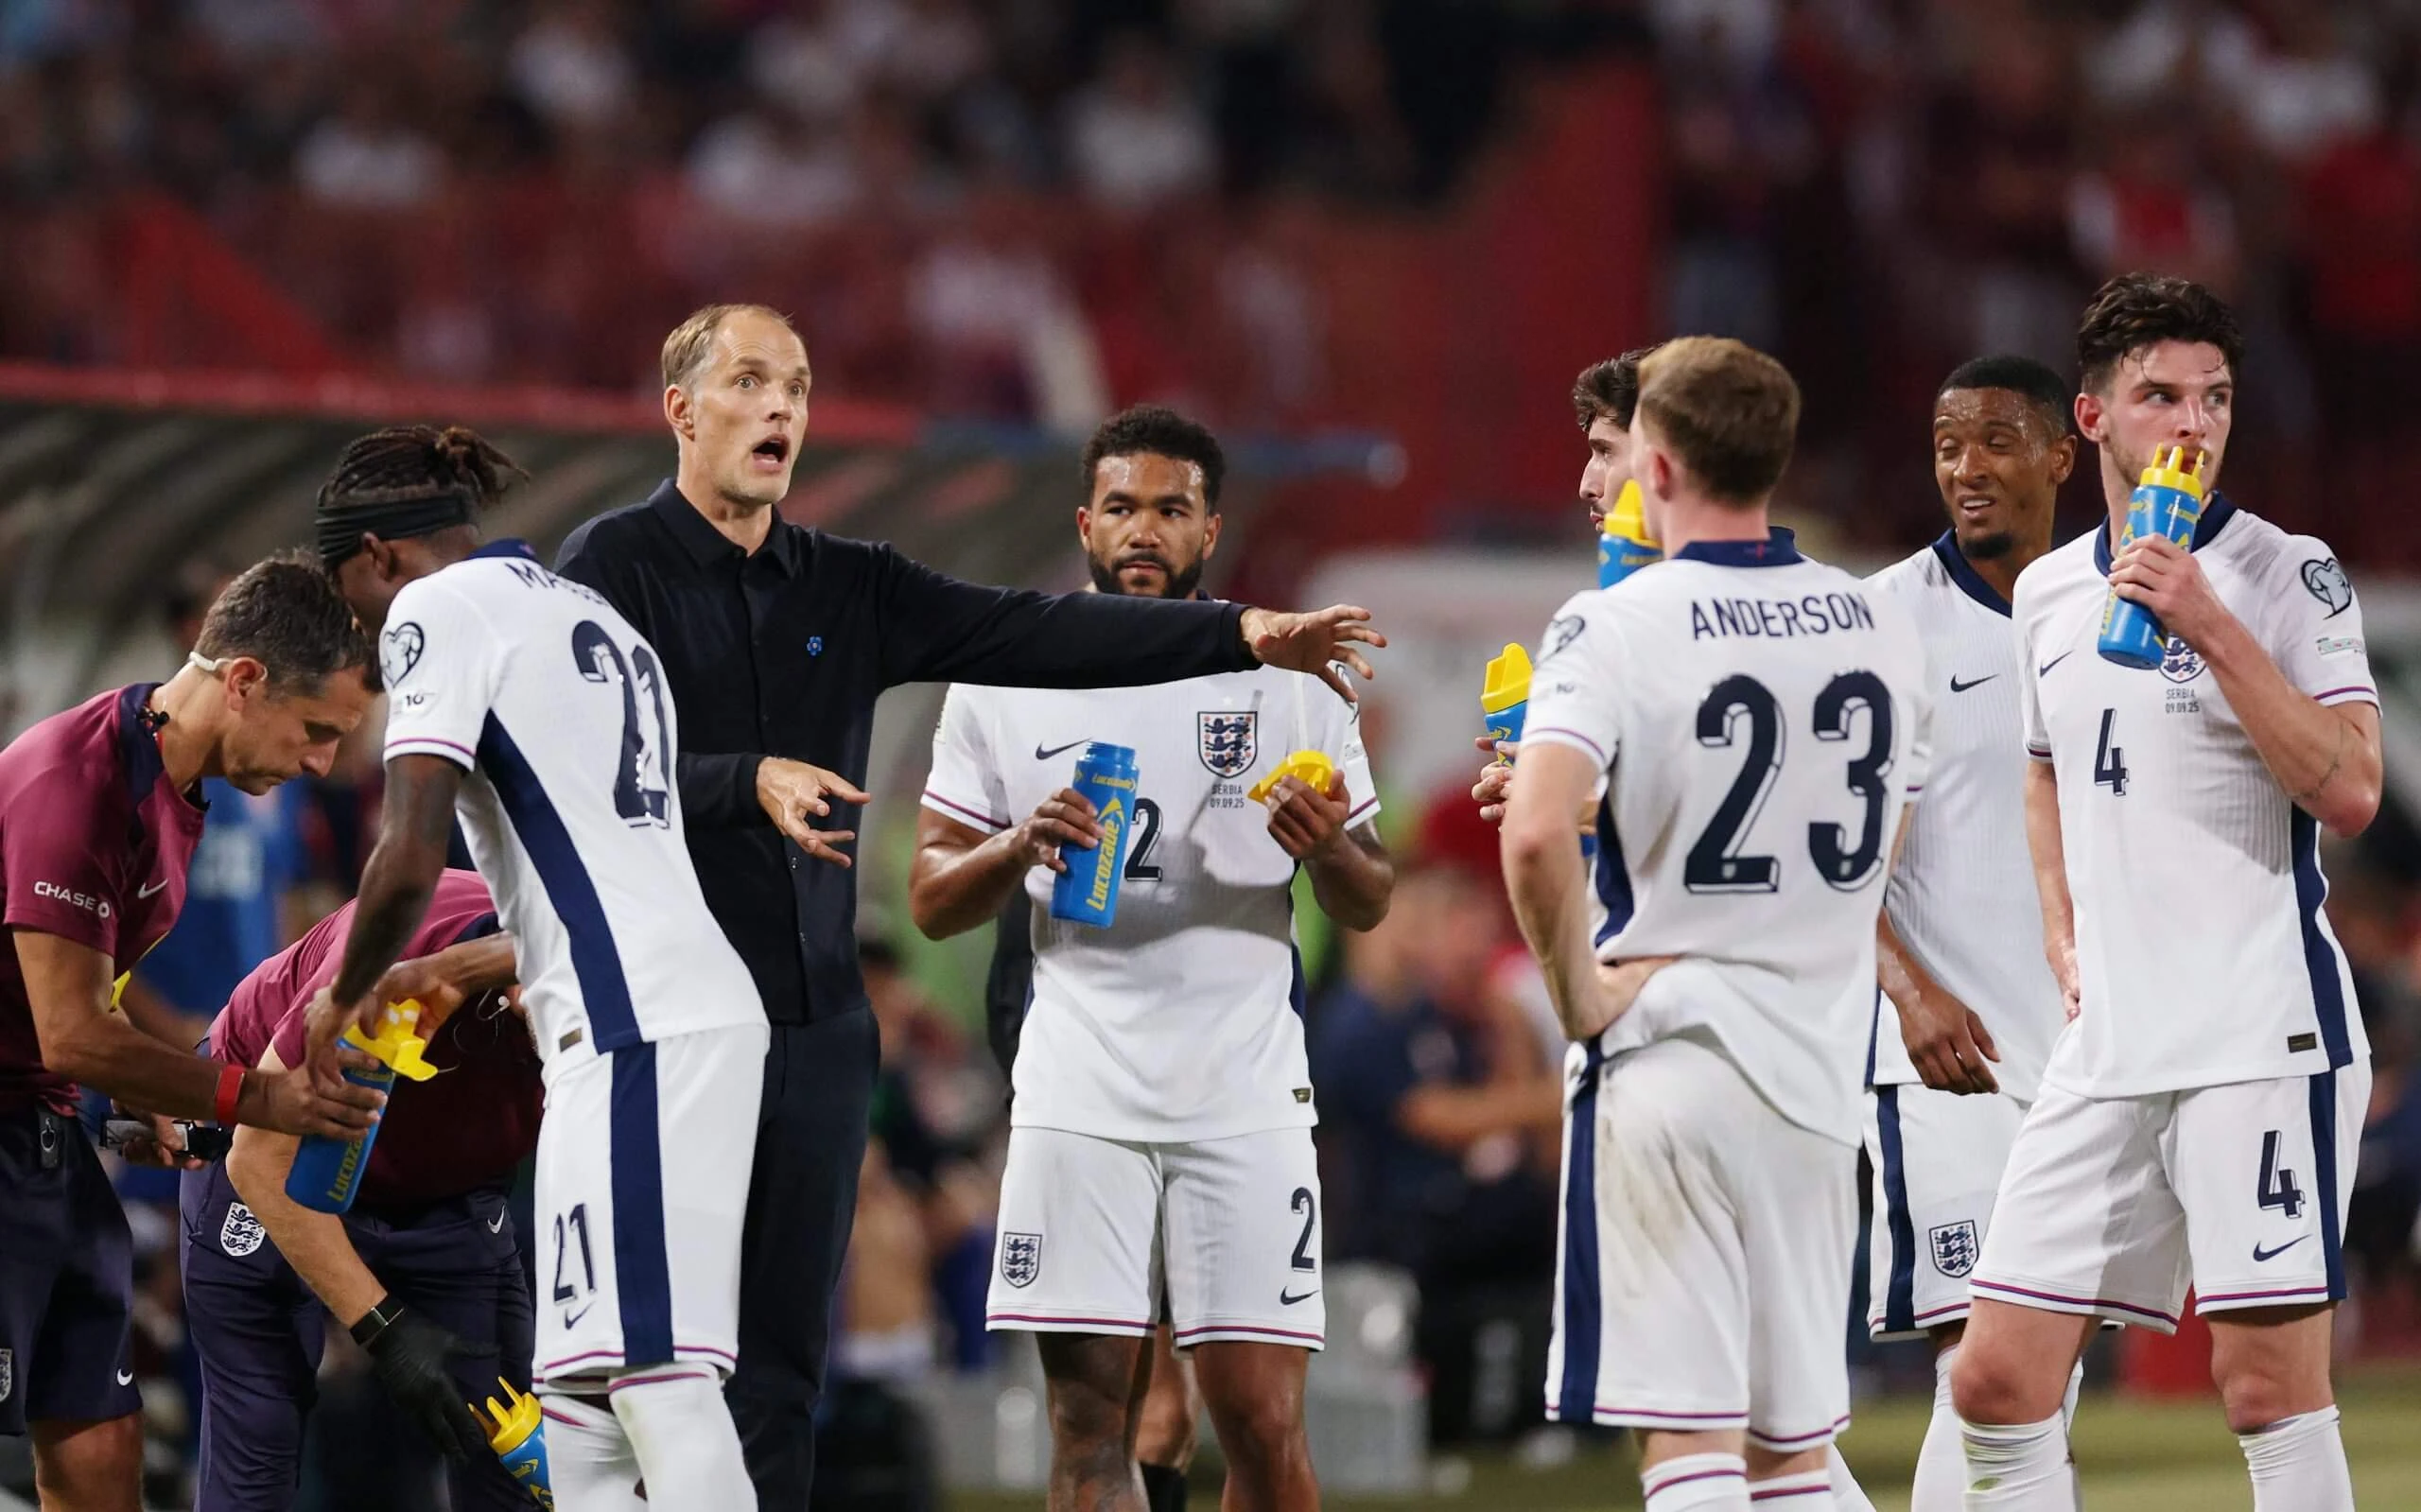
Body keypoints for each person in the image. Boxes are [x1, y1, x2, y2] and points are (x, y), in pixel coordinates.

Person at [550, 304, 1387, 1504]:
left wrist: (1245, 633)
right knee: (643, 1361)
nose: (781, 405)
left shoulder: (850, 581)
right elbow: (572, 771)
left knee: (782, 1368)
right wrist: (744, 781)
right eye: (750, 381)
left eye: (796, 384)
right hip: (666, 1021)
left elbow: (1029, 629)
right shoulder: (606, 569)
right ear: (681, 410)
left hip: (816, 1029)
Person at [911, 405, 1395, 1512]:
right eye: (1121, 507)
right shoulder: (1004, 673)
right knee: (1092, 1432)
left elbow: (1370, 898)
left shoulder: (1290, 677)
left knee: (1262, 1427)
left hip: (1245, 1096)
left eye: (1170, 510)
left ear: (1209, 530)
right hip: (1079, 1095)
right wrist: (1015, 843)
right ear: (1084, 523)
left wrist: (1329, 851)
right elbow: (931, 898)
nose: (1144, 529)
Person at [1950, 275, 2381, 1511]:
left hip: (2258, 1029)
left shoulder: (2286, 573)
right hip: (2110, 1042)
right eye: (2160, 396)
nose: (2193, 421)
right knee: (1995, 1378)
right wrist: (2060, 928)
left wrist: (2206, 622)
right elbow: (2044, 766)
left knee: (2263, 1388)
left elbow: (2353, 788)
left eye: (2215, 397)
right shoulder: (2047, 592)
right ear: (2091, 417)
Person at [305, 425, 771, 1511]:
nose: (363, 629)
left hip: (636, 1028)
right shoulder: (584, 614)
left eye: (351, 597)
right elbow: (601, 878)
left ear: (378, 556)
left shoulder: (434, 609)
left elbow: (408, 853)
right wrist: (452, 969)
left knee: (659, 1382)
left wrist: (339, 998)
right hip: (638, 1019)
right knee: (581, 1404)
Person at [1500, 337, 1930, 1512]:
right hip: (1816, 1080)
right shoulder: (1875, 620)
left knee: (1688, 1445)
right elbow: (1882, 838)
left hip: (1672, 1059)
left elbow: (1531, 835)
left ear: (1657, 464)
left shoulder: (1614, 624)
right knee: (1788, 1453)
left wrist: (1581, 997)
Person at [0, 552, 386, 1510]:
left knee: (102, 1448)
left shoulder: (178, 789)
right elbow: (70, 1032)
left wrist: (139, 1098)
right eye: (315, 731)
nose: (320, 763)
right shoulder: (76, 781)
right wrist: (262, 1099)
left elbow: (83, 992)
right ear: (244, 679)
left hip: (44, 1135)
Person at [1857, 356, 2081, 1511]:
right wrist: (1909, 993)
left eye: (1995, 440)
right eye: (1948, 445)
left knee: (2042, 1378)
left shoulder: (2107, 607)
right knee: (1982, 1364)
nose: (1965, 468)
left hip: (2086, 1059)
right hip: (1950, 1060)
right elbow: (1834, 861)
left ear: (2060, 455)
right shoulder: (1887, 620)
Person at [186, 867, 538, 1510]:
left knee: (514, 1444)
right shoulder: (401, 952)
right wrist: (385, 1329)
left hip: (449, 1182)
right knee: (258, 1439)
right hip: (273, 1153)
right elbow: (260, 1162)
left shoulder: (631, 1022)